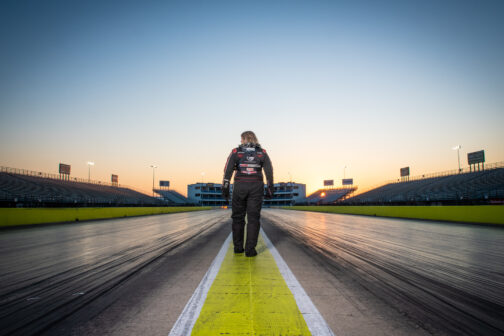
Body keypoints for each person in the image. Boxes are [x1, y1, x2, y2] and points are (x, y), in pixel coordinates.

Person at [221, 131, 274, 257]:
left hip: (240, 186)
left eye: (241, 139)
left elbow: (227, 172)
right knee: (253, 219)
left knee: (238, 218)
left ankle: (238, 248)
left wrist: (225, 189)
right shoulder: (262, 153)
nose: (240, 142)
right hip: (256, 187)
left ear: (244, 139)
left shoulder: (236, 152)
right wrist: (270, 189)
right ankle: (250, 250)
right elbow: (269, 172)